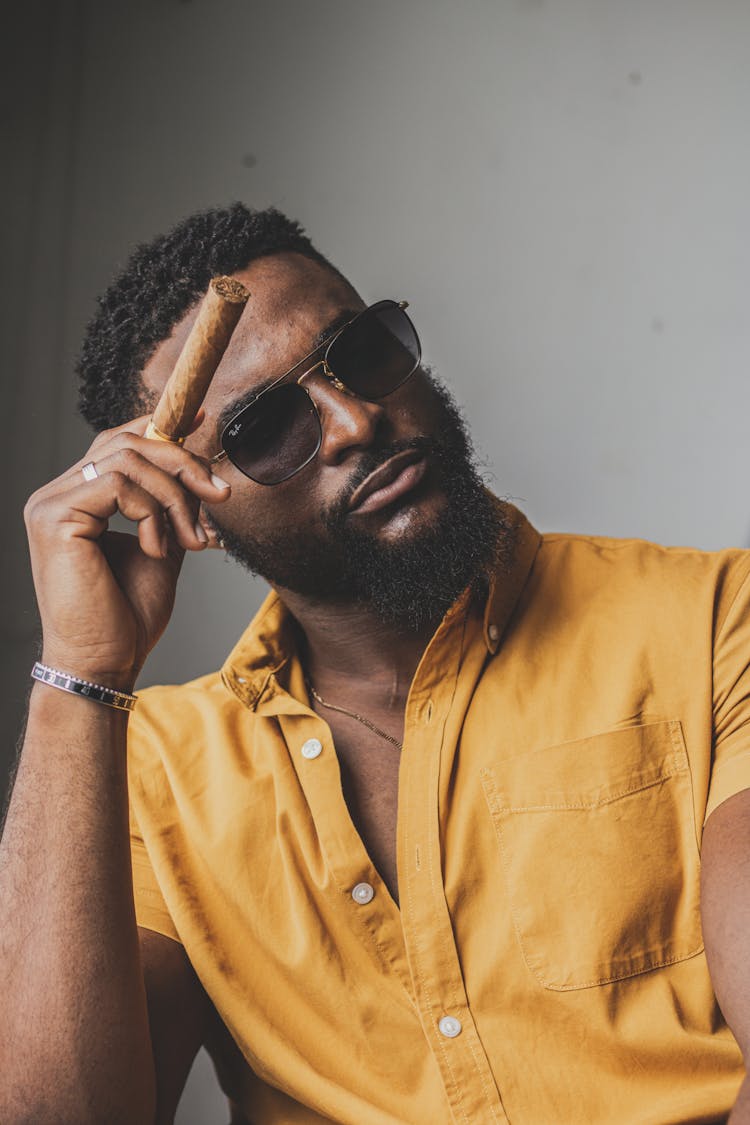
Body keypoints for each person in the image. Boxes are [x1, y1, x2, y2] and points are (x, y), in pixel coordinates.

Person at [2, 202, 750, 1125]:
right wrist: (82, 670)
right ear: (186, 501)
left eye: (362, 353)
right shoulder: (153, 773)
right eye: (267, 426)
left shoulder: (716, 619)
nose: (356, 420)